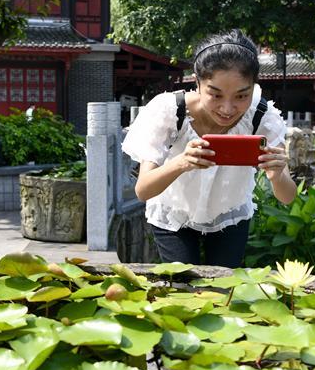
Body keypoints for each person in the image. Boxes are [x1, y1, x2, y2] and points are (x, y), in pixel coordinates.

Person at [122, 29, 296, 267]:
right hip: (174, 213)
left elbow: (287, 197)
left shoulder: (262, 116)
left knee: (222, 290)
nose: (228, 108)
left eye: (241, 96)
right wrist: (182, 162)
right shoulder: (169, 111)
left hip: (230, 214)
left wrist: (277, 176)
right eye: (215, 95)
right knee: (181, 290)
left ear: (253, 87)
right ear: (197, 82)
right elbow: (143, 190)